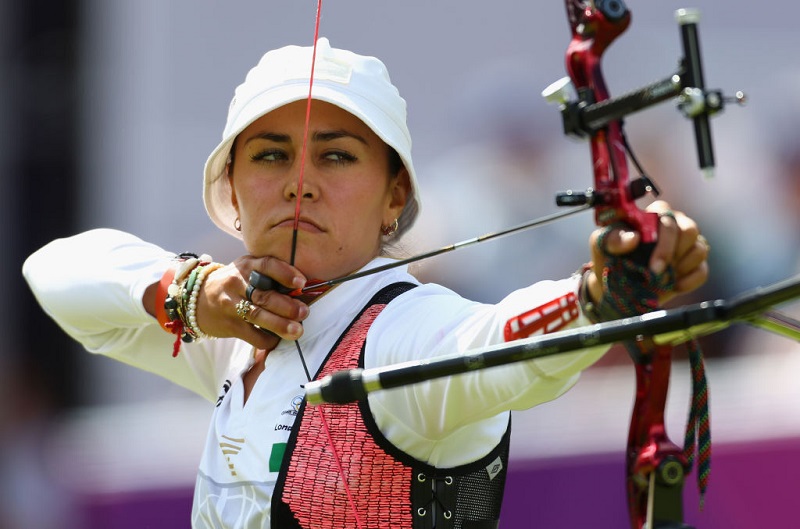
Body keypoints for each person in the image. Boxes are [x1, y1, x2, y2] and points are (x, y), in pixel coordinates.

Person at [22, 38, 709, 529]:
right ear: (232, 189)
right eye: (270, 155)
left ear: (393, 197)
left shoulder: (403, 337)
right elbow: (54, 274)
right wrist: (191, 294)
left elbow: (498, 344)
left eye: (337, 155)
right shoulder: (231, 338)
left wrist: (598, 295)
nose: (300, 180)